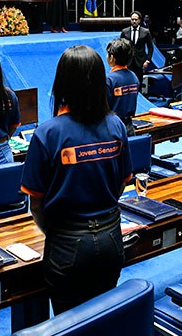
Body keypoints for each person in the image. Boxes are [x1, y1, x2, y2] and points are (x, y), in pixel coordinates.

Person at [20, 45, 131, 314]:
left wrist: (60, 234)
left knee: (68, 326)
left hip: (67, 243)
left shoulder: (47, 134)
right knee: (103, 317)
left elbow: (36, 204)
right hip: (111, 238)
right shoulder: (116, 125)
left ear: (62, 82)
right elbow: (122, 182)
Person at [105, 38, 140, 136]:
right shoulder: (134, 77)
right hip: (129, 129)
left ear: (112, 58)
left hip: (111, 130)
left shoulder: (108, 79)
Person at [120, 11, 154, 81]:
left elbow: (150, 47)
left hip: (140, 61)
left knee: (139, 81)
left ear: (139, 20)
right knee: (127, 81)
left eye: (136, 19)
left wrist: (147, 61)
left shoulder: (145, 32)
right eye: (132, 19)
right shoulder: (124, 31)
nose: (134, 21)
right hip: (128, 61)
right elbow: (121, 46)